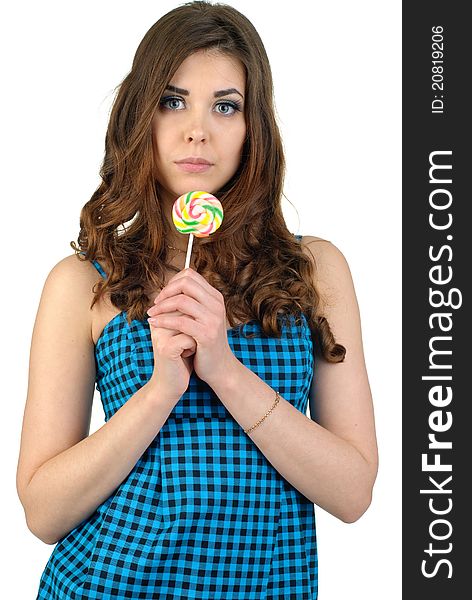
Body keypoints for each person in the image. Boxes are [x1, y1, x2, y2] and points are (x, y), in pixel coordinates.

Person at [16, 1, 378, 598]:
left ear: (253, 126)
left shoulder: (315, 271)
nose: (197, 130)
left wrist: (225, 370)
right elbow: (42, 512)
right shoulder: (82, 285)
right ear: (141, 117)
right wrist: (162, 388)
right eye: (173, 100)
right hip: (108, 584)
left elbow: (353, 494)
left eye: (226, 105)